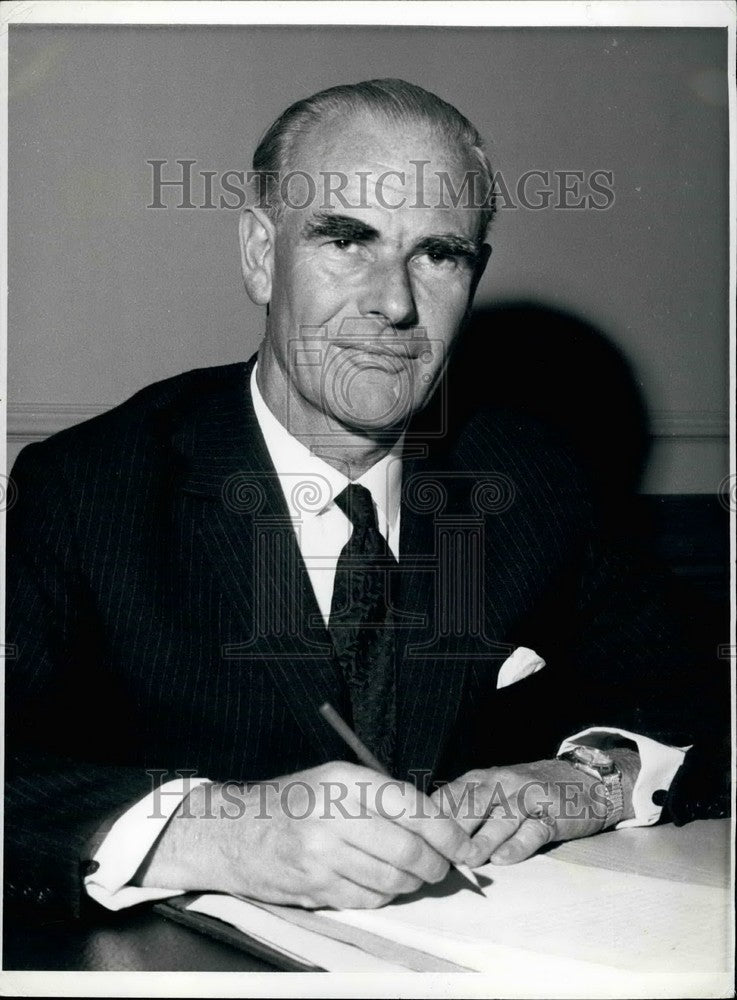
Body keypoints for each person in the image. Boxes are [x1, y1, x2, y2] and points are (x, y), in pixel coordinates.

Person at [5, 78, 728, 919]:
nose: (395, 303)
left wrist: (585, 780)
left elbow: (696, 700)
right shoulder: (87, 489)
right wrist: (213, 832)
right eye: (348, 241)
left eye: (438, 254)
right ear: (259, 255)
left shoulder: (537, 479)